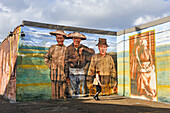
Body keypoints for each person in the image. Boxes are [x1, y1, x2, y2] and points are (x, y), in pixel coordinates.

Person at [65, 32, 95, 97]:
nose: (76, 40)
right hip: (72, 70)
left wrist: (83, 49)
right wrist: (67, 75)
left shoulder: (84, 47)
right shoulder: (68, 48)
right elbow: (66, 62)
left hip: (81, 70)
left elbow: (92, 52)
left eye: (78, 39)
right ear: (72, 39)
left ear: (80, 40)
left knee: (82, 89)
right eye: (75, 38)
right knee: (73, 89)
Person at [44, 30, 67, 99]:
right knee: (54, 95)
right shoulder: (52, 48)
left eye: (61, 38)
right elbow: (46, 58)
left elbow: (68, 62)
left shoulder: (66, 49)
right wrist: (51, 66)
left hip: (63, 74)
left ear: (64, 39)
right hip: (54, 74)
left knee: (62, 94)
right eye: (58, 38)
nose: (59, 40)